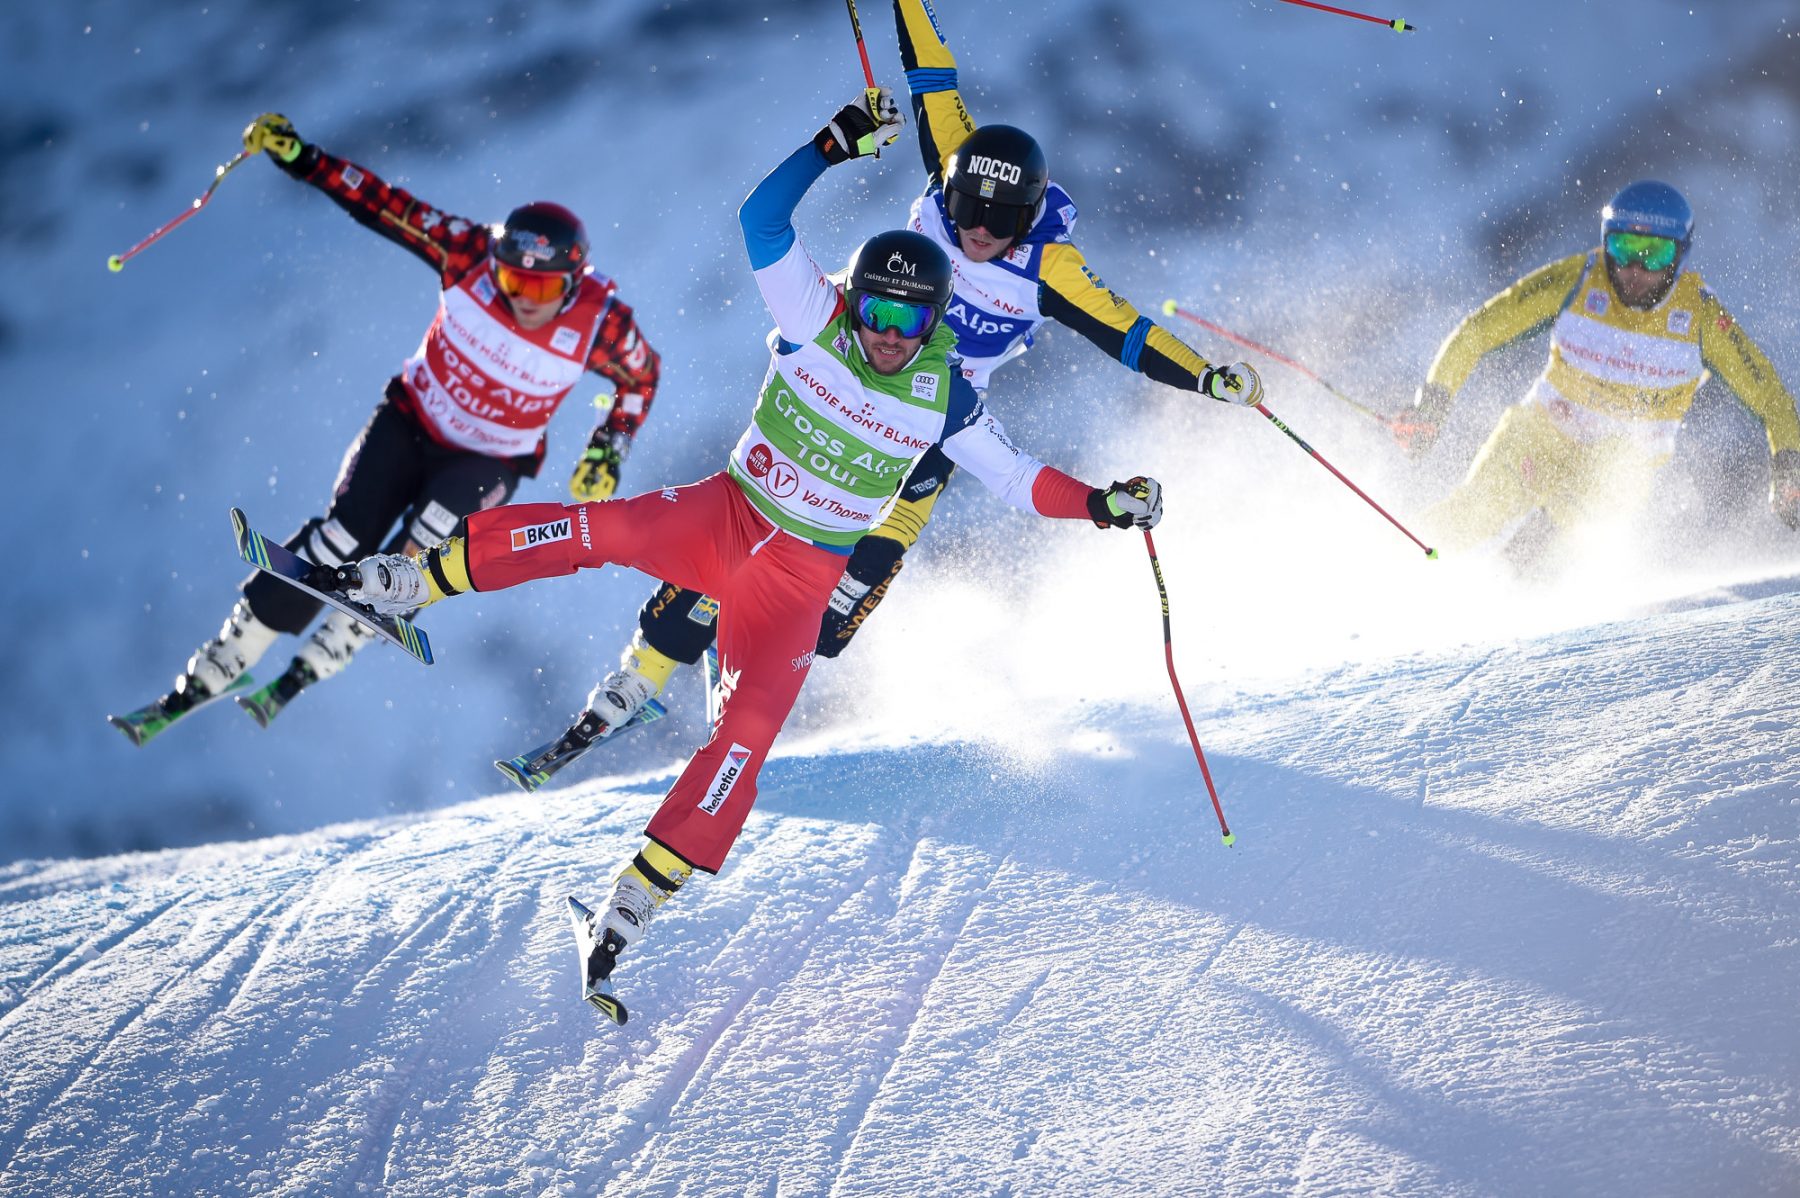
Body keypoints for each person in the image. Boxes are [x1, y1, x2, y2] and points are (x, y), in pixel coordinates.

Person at [328, 89, 1168, 1011]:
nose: (887, 340)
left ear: (937, 326)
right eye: (877, 317)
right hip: (727, 514)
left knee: (748, 740)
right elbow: (761, 218)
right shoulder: (814, 314)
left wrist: (1103, 505)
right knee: (594, 530)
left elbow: (1020, 480)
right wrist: (831, 145)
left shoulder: (944, 399)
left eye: (909, 324)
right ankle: (412, 579)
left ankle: (633, 904)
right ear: (854, 301)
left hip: (801, 579)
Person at [517, 0, 1262, 775]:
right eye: (969, 206)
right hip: (845, 371)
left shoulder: (1053, 269)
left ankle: (732, 667)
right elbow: (930, 72)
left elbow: (1129, 336)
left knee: (835, 616)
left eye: (1002, 218)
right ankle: (643, 673)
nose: (978, 227)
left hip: (929, 426)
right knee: (755, 526)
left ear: (1031, 214)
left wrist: (1206, 377)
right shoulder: (954, 160)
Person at [108, 113, 661, 746]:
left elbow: (642, 378)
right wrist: (302, 158)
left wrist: (608, 447)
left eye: (543, 285)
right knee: (341, 535)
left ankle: (329, 650)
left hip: (488, 461)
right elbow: (383, 205)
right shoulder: (467, 254)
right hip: (410, 421)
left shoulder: (602, 322)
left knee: (417, 550)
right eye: (514, 279)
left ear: (575, 280)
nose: (526, 298)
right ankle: (224, 659)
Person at [1389, 179, 1800, 569]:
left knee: (1540, 550)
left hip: (1621, 461)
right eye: (1622, 248)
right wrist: (1434, 404)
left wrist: (1790, 468)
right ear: (1606, 242)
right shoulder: (1580, 278)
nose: (1635, 269)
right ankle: (1384, 582)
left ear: (1680, 255)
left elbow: (1770, 399)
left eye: (1654, 255)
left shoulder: (1702, 317)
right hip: (1543, 430)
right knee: (1464, 518)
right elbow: (1479, 331)